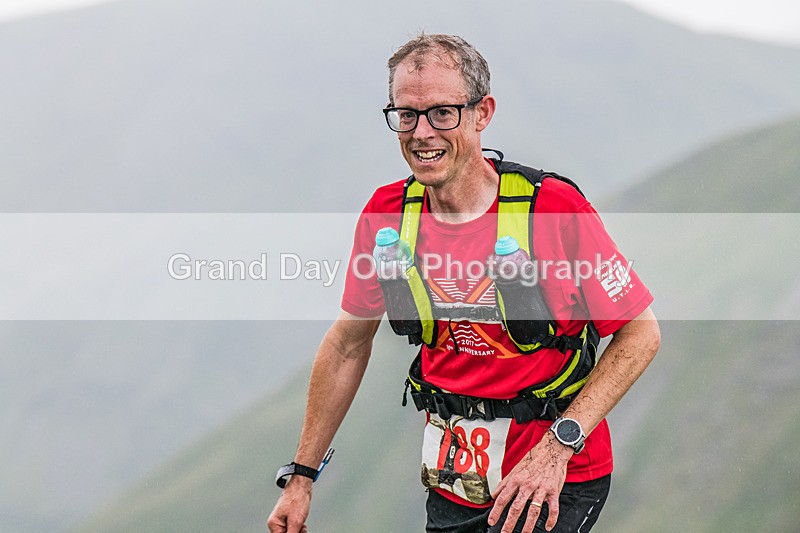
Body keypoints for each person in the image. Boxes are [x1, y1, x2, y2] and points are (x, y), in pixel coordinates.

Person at [268, 33, 660, 533]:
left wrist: (557, 446)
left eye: (442, 113)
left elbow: (640, 333)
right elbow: (347, 344)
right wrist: (301, 478)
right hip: (455, 483)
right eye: (406, 115)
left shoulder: (552, 207)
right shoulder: (388, 216)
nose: (421, 132)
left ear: (482, 113)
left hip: (553, 478)